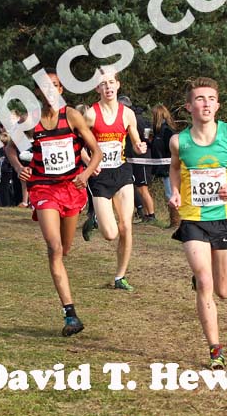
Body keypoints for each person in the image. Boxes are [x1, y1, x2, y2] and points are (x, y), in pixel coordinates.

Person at [5, 69, 102, 336]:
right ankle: (70, 314)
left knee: (65, 250)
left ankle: (59, 259)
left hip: (71, 188)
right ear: (37, 92)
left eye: (55, 86)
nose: (49, 90)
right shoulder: (30, 121)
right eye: (44, 86)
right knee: (55, 246)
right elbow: (11, 149)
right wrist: (18, 167)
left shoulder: (71, 116)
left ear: (60, 90)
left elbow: (96, 151)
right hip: (43, 189)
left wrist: (84, 173)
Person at [169, 76, 227, 370]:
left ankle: (203, 278)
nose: (205, 104)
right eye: (199, 99)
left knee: (224, 291)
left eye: (210, 99)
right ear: (188, 106)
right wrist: (176, 195)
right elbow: (174, 170)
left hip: (226, 218)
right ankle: (215, 350)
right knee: (205, 282)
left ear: (217, 105)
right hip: (194, 220)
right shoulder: (178, 141)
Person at [80, 71, 147, 293]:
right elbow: (79, 148)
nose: (108, 87)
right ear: (97, 89)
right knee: (110, 234)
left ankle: (120, 276)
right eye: (102, 84)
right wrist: (90, 162)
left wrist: (140, 147)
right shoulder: (90, 115)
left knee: (126, 226)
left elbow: (136, 139)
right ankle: (96, 218)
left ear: (117, 85)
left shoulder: (127, 114)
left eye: (111, 82)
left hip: (122, 172)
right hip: (100, 176)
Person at [121, 97, 157, 225]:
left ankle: (151, 215)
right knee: (138, 187)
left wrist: (143, 146)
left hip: (142, 159)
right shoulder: (133, 118)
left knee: (143, 188)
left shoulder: (138, 119)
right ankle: (146, 214)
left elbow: (147, 137)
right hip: (134, 158)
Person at [152, 104, 181, 228]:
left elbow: (174, 149)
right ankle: (175, 221)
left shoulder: (167, 131)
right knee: (169, 193)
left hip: (170, 167)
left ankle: (177, 222)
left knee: (172, 194)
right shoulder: (158, 132)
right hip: (164, 168)